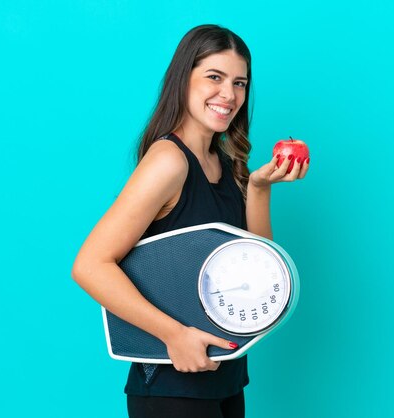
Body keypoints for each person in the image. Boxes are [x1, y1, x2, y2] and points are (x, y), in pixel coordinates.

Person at [71, 24, 309, 418]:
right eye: (214, 77)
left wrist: (260, 188)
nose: (229, 95)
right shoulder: (168, 162)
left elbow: (265, 271)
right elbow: (90, 265)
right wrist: (173, 335)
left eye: (240, 83)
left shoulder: (230, 164)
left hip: (227, 377)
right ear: (183, 80)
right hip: (171, 385)